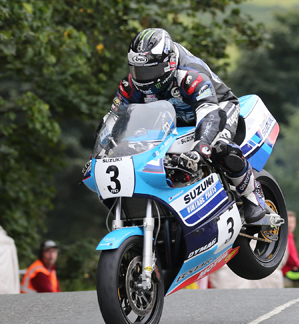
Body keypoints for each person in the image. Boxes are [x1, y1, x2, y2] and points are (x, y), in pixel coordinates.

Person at [94, 28, 267, 223]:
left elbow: (209, 112)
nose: (143, 76)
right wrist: (102, 152)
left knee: (220, 146)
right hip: (174, 118)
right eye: (138, 69)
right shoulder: (130, 86)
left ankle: (252, 196)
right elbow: (115, 119)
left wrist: (200, 146)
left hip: (216, 106)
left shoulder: (189, 74)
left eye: (150, 69)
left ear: (169, 63)